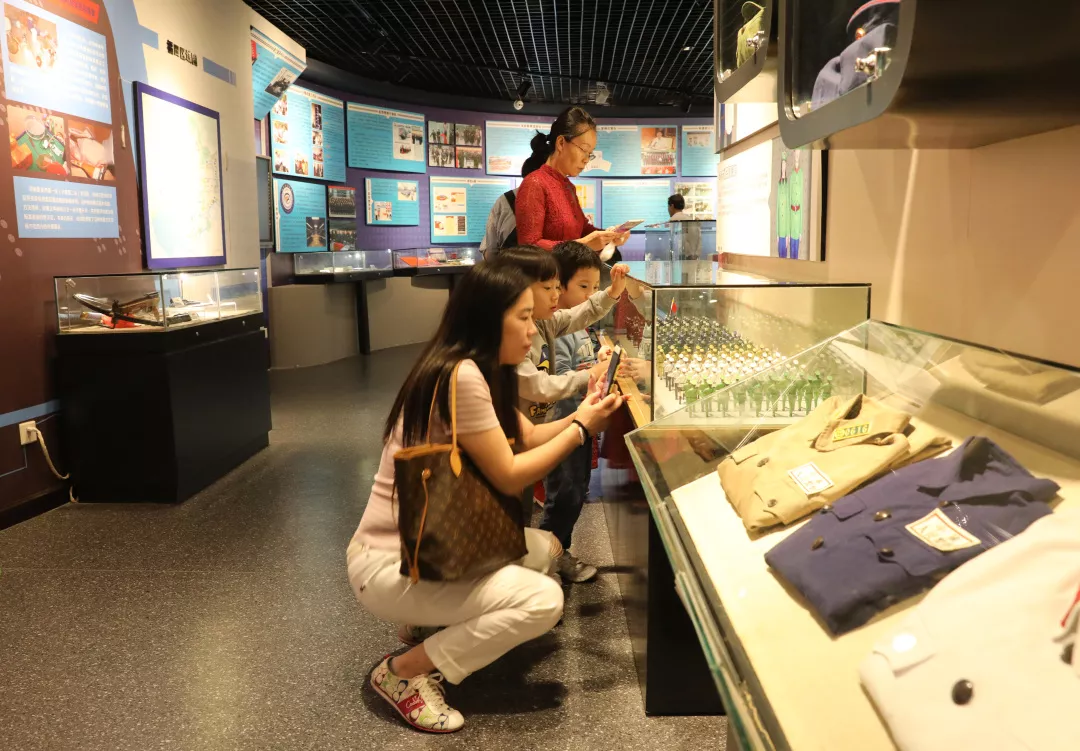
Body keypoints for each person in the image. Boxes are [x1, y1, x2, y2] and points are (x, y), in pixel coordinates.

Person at [347, 262, 623, 733]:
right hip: (394, 561)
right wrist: (581, 428)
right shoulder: (460, 377)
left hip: (426, 546)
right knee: (543, 600)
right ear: (488, 319)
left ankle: (425, 624)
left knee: (545, 548)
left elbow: (528, 436)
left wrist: (583, 411)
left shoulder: (473, 369)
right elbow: (510, 473)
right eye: (523, 317)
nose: (532, 329)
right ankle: (403, 673)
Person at [491, 247, 629, 521]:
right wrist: (592, 375)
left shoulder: (543, 323)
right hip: (513, 439)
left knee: (524, 504)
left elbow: (580, 313)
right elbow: (539, 387)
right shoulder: (507, 342)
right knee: (515, 504)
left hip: (535, 429)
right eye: (548, 288)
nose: (556, 295)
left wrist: (612, 293)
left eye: (557, 286)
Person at [542, 242, 609, 583]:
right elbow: (559, 379)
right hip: (561, 424)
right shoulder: (555, 330)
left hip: (579, 422)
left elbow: (585, 360)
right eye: (583, 286)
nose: (590, 296)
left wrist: (600, 361)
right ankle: (551, 557)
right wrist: (594, 373)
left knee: (575, 489)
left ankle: (555, 552)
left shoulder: (580, 325)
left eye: (595, 287)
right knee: (564, 493)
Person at [516, 106, 630, 253]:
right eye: (584, 150)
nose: (586, 159)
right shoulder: (534, 183)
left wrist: (610, 236)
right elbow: (528, 248)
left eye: (590, 153)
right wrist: (582, 245)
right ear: (561, 143)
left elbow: (583, 230)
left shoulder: (569, 187)